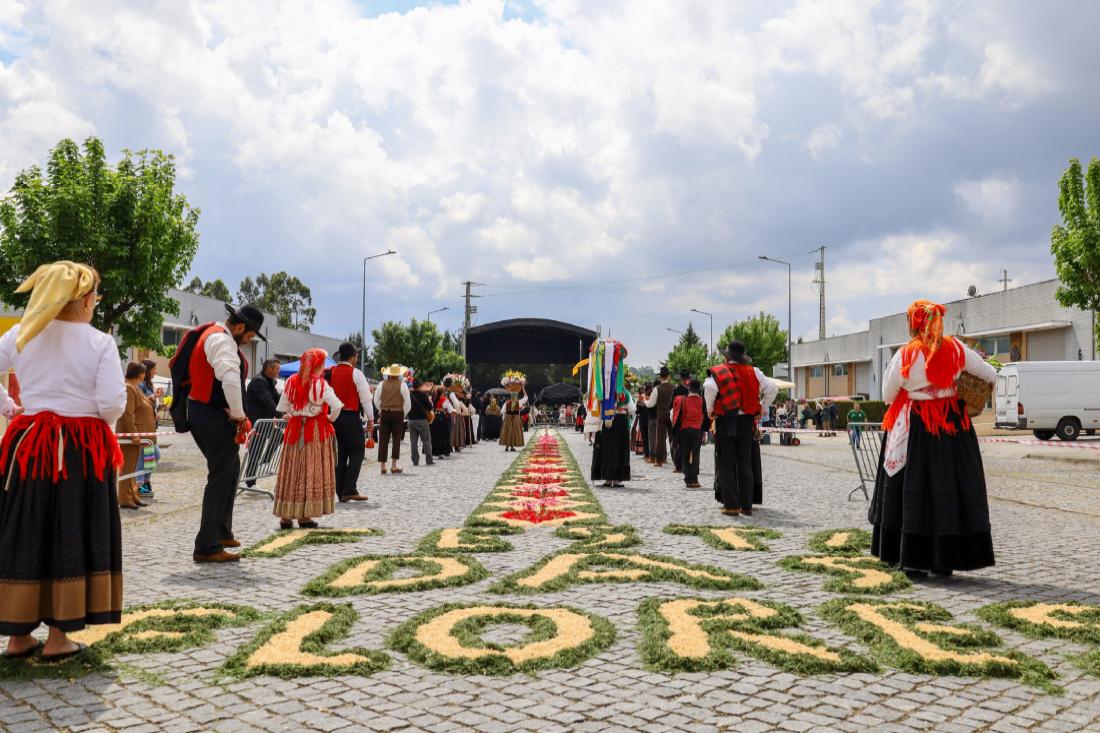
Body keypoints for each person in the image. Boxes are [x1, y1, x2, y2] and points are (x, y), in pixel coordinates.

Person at [0, 261, 126, 661]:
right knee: (70, 529)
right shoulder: (99, 342)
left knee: (25, 529)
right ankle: (58, 637)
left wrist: (10, 407)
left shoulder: (21, 334)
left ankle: (18, 636)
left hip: (30, 444)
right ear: (87, 300)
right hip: (80, 448)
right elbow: (111, 404)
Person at [870, 299, 998, 579]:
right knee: (948, 487)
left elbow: (887, 395)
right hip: (952, 427)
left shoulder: (906, 354)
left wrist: (915, 393)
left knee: (914, 487)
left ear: (913, 324)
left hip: (916, 426)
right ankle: (943, 561)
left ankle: (913, 561)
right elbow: (990, 375)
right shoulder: (957, 349)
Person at [186, 303, 266, 563]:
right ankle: (207, 546)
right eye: (250, 336)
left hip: (205, 412)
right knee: (220, 477)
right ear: (240, 327)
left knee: (231, 470)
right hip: (211, 415)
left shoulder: (216, 335)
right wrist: (240, 415)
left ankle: (221, 531)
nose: (249, 341)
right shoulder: (222, 340)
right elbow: (230, 379)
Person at [705, 341, 777, 517]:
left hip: (725, 420)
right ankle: (746, 505)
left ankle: (731, 506)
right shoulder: (754, 371)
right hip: (747, 422)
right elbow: (772, 388)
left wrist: (710, 409)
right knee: (745, 463)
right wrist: (762, 406)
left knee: (726, 463)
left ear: (726, 357)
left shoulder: (719, 371)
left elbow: (709, 388)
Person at [274, 348, 342, 529]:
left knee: (292, 470)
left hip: (294, 431)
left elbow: (282, 407)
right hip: (314, 431)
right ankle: (304, 516)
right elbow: (336, 406)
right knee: (309, 469)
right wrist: (329, 418)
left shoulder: (291, 381)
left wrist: (295, 413)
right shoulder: (320, 384)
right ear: (318, 365)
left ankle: (285, 516)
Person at [327, 343, 373, 501]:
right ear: (353, 357)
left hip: (334, 417)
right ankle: (349, 488)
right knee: (357, 452)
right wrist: (371, 418)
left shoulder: (331, 372)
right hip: (351, 416)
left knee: (340, 455)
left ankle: (340, 491)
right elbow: (365, 398)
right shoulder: (356, 373)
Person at [117, 361, 156, 509]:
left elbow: (141, 405)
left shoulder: (135, 387)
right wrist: (133, 434)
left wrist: (152, 399)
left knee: (132, 468)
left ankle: (132, 495)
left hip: (138, 435)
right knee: (128, 468)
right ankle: (124, 498)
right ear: (140, 374)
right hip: (132, 436)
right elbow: (128, 413)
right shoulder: (129, 388)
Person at [243, 358, 282, 488]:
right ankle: (250, 483)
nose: (279, 372)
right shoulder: (258, 381)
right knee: (256, 450)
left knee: (279, 435)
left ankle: (264, 463)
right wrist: (281, 414)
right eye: (277, 369)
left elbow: (277, 400)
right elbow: (267, 401)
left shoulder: (270, 382)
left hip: (265, 423)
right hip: (256, 422)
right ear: (269, 369)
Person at [591, 390, 635, 487]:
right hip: (621, 421)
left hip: (607, 420)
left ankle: (607, 478)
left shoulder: (602, 391)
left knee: (607, 448)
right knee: (619, 448)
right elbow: (632, 410)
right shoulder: (625, 393)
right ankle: (617, 479)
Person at [374, 364, 411, 474]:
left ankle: (382, 466)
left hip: (385, 413)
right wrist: (403, 412)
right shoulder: (402, 385)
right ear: (399, 374)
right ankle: (394, 465)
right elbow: (408, 403)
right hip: (398, 414)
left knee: (383, 439)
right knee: (396, 440)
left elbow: (375, 400)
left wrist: (381, 408)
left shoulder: (381, 384)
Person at [673, 378, 706, 489]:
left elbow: (678, 416)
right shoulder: (702, 401)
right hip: (697, 430)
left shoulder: (683, 400)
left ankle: (688, 478)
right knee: (695, 455)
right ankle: (694, 479)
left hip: (685, 430)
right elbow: (705, 416)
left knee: (685, 454)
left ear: (689, 388)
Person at [137, 359, 162, 498]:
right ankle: (140, 484)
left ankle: (145, 481)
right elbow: (141, 404)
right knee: (144, 456)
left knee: (152, 455)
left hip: (150, 426)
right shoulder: (140, 385)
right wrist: (154, 397)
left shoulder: (148, 384)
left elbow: (149, 406)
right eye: (154, 369)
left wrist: (158, 409)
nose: (156, 372)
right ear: (147, 370)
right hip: (143, 426)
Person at [644, 367, 674, 467]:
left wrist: (645, 401)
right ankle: (676, 460)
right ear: (669, 376)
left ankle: (659, 460)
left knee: (660, 438)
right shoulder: (673, 388)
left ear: (660, 377)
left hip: (661, 415)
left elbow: (651, 404)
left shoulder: (657, 389)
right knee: (672, 437)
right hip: (671, 415)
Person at [408, 379, 434, 466]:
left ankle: (415, 461)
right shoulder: (423, 396)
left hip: (411, 421)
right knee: (426, 441)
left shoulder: (409, 395)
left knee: (413, 442)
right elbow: (430, 408)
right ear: (420, 386)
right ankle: (429, 460)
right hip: (422, 421)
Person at [670, 370, 691, 473]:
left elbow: (671, 405)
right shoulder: (692, 390)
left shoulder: (677, 390)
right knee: (684, 443)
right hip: (686, 420)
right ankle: (684, 465)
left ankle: (680, 465)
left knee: (679, 443)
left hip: (680, 419)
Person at [430, 383, 453, 459]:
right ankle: (442, 452)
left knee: (435, 434)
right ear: (443, 392)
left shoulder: (432, 399)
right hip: (442, 418)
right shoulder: (444, 399)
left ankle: (434, 451)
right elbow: (450, 410)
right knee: (442, 434)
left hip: (434, 417)